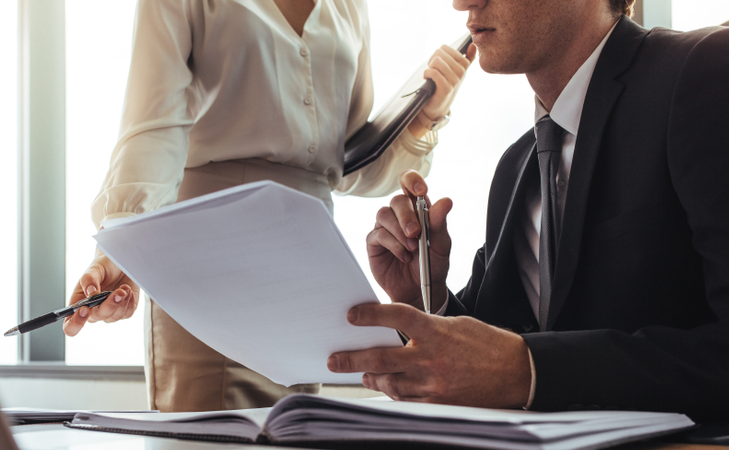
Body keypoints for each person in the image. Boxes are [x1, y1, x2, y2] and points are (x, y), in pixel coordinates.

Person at [326, 0, 729, 421]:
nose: (462, 2)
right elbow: (500, 343)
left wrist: (529, 370)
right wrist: (423, 296)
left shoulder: (712, 72)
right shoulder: (518, 166)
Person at [62, 0, 472, 412]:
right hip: (208, 264)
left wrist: (424, 117)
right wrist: (125, 242)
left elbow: (347, 166)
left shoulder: (349, 6)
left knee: (297, 444)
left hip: (311, 271)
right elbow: (153, 131)